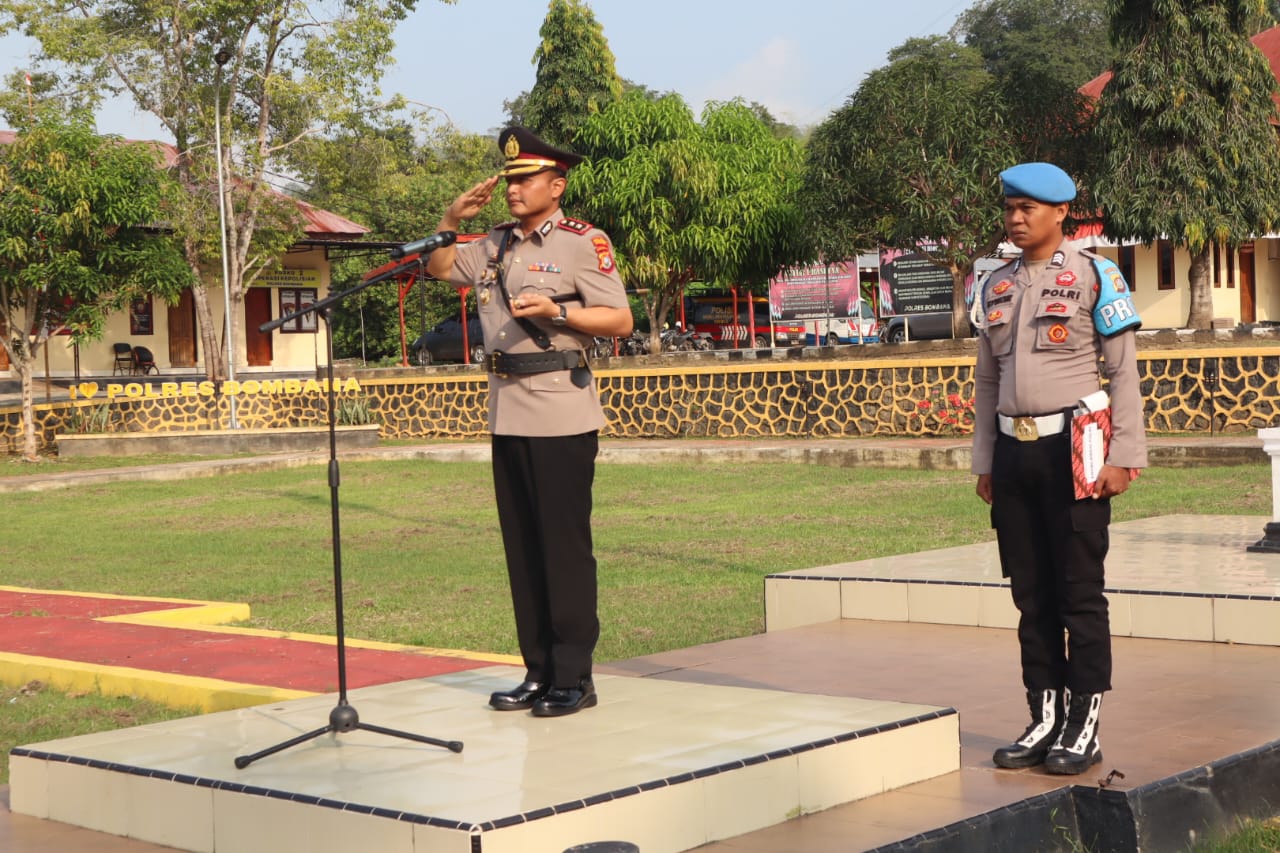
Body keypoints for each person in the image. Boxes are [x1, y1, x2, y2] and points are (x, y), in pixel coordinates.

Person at [425, 126, 633, 717]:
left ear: (556, 184)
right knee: (523, 549)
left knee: (563, 548)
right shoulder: (492, 243)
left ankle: (575, 676)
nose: (513, 189)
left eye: (525, 179)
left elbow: (619, 320)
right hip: (508, 410)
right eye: (509, 180)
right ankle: (537, 672)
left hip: (560, 410)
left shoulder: (579, 242)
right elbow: (441, 267)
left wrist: (558, 309)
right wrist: (451, 214)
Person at [972, 162, 1147, 775]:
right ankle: (1043, 717)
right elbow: (987, 379)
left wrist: (1125, 455)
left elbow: (1123, 372)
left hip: (1076, 451)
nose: (1015, 219)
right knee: (1030, 594)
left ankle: (1084, 726)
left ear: (1059, 213)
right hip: (1014, 454)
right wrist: (985, 460)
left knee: (1078, 593)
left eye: (1028, 209)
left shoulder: (1096, 275)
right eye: (1009, 209)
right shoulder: (994, 286)